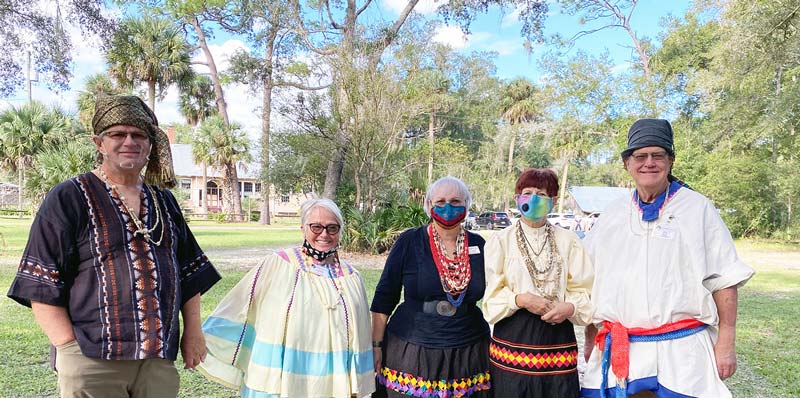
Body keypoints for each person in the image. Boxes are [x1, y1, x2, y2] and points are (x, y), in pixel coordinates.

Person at [6, 95, 221, 398]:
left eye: (139, 135)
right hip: (93, 357)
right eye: (118, 134)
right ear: (99, 143)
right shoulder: (69, 197)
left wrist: (193, 333)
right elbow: (40, 280)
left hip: (157, 358)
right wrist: (68, 349)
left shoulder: (164, 201)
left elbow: (188, 272)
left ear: (150, 144)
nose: (129, 141)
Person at [580, 119, 755, 398]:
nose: (649, 163)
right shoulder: (612, 214)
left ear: (670, 161)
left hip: (683, 353)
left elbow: (724, 279)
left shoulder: (698, 209)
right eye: (640, 156)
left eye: (657, 155)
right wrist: (591, 339)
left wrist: (726, 343)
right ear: (627, 163)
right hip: (622, 349)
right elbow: (588, 281)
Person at [199, 198, 375, 397]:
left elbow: (360, 333)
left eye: (332, 228)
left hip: (334, 379)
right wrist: (200, 337)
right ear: (303, 228)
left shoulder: (352, 277)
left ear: (340, 232)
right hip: (286, 374)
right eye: (316, 227)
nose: (324, 234)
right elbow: (241, 303)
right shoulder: (279, 265)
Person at [371, 176, 491, 397]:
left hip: (468, 348)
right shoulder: (409, 241)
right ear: (428, 205)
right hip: (412, 347)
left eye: (456, 201)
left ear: (467, 204)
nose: (448, 207)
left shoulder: (479, 245)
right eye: (440, 201)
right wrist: (376, 345)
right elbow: (384, 296)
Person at [482, 168, 594, 397]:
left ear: (553, 201)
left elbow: (585, 289)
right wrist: (520, 299)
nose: (533, 199)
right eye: (528, 192)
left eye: (541, 194)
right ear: (517, 198)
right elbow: (492, 297)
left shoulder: (569, 242)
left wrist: (570, 307)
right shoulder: (501, 241)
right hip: (512, 342)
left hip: (557, 342)